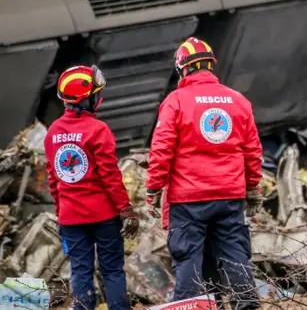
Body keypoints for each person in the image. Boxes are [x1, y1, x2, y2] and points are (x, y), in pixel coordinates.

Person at [145, 37, 263, 309]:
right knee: (235, 253)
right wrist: (252, 186)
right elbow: (252, 150)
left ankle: (190, 307)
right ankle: (247, 304)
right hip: (229, 196)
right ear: (210, 65)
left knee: (188, 258)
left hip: (189, 200)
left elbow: (161, 150)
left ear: (183, 69)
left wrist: (153, 188)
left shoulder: (175, 101)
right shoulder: (238, 100)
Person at [44, 65, 139, 310]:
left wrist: (60, 210)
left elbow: (54, 179)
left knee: (81, 272)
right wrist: (126, 210)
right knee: (112, 271)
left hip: (71, 219)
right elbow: (110, 176)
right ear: (86, 99)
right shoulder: (99, 130)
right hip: (104, 217)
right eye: (96, 93)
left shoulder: (52, 133)